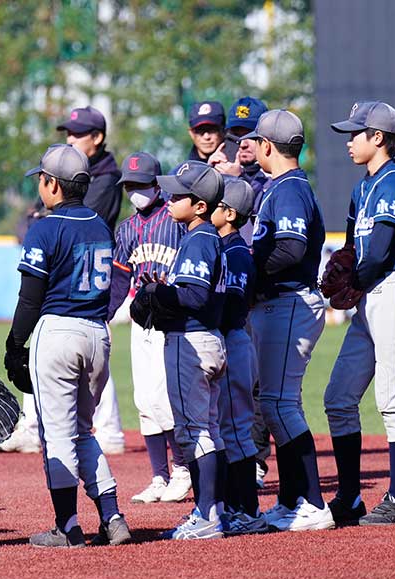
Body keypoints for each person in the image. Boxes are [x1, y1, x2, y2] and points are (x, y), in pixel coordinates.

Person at [6, 144, 131, 548]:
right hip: (96, 334)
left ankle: (67, 526)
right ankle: (112, 517)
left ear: (53, 185)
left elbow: (30, 298)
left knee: (56, 435)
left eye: (42, 179)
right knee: (82, 432)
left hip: (58, 331)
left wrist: (15, 344)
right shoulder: (100, 226)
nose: (39, 186)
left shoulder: (45, 228)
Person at [240, 109, 334, 532]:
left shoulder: (290, 187)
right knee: (277, 404)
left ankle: (313, 503)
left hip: (289, 302)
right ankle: (292, 499)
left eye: (255, 140)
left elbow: (292, 248)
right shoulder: (283, 186)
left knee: (280, 404)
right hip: (282, 303)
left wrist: (252, 275)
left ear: (266, 146)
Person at [325, 101, 395, 526]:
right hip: (370, 296)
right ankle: (350, 496)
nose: (348, 141)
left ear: (378, 138)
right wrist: (345, 270)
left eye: (355, 134)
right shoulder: (363, 186)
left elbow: (378, 253)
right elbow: (353, 249)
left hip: (394, 289)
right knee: (338, 397)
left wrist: (353, 279)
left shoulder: (394, 181)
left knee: (394, 399)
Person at [136, 161, 228, 540]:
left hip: (190, 342)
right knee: (209, 430)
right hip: (208, 340)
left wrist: (156, 292)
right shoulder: (205, 237)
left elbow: (193, 296)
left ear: (201, 206)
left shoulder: (199, 238)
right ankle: (214, 511)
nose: (170, 199)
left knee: (193, 431)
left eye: (179, 194)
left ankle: (206, 516)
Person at [107, 152, 192, 504]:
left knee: (164, 399)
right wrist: (103, 315)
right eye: (129, 185)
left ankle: (183, 469)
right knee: (144, 400)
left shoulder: (175, 220)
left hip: (171, 321)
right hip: (142, 321)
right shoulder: (127, 229)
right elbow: (118, 280)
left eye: (141, 184)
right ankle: (159, 476)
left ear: (157, 185)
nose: (135, 191)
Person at [57, 106, 126, 454]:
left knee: (95, 352)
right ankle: (36, 425)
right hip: (68, 269)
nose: (70, 139)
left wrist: (49, 216)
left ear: (97, 137)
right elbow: (36, 217)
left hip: (93, 271)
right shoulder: (68, 174)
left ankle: (109, 428)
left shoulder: (107, 178)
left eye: (78, 133)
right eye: (68, 133)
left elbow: (80, 219)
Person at [210, 179, 266, 535]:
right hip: (232, 340)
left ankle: (247, 510)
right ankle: (237, 507)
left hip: (233, 340)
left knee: (235, 430)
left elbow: (230, 306)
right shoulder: (227, 248)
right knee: (230, 428)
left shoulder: (236, 253)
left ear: (230, 214)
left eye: (216, 204)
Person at [209, 97, 272, 245]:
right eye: (237, 135)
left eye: (250, 135)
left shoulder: (273, 175)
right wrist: (207, 177)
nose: (243, 143)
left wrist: (237, 182)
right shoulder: (217, 171)